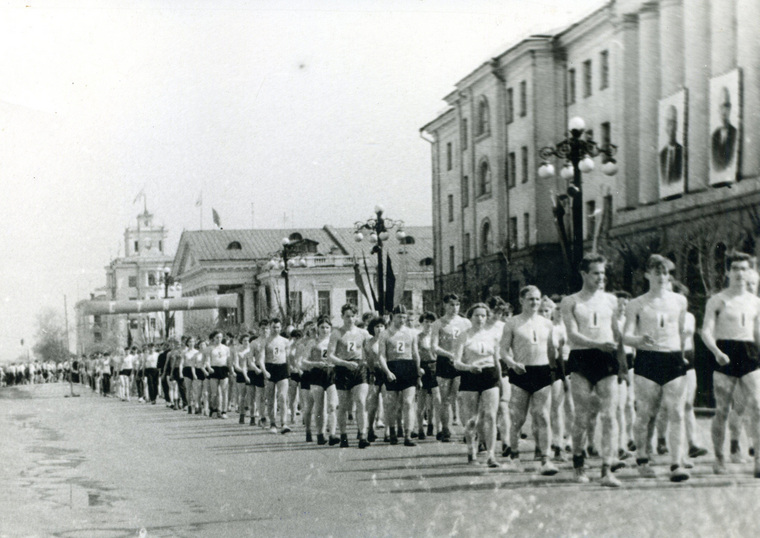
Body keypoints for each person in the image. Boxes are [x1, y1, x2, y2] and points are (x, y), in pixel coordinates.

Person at [623, 255, 690, 482]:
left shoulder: (679, 301)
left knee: (677, 413)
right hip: (648, 361)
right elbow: (626, 336)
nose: (662, 277)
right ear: (647, 275)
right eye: (657, 272)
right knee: (645, 414)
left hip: (673, 359)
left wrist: (683, 354)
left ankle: (676, 463)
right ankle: (642, 457)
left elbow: (681, 332)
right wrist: (639, 340)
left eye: (665, 273)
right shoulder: (636, 304)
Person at [560, 254, 625, 486]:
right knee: (583, 415)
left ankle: (607, 468)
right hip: (582, 358)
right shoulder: (571, 301)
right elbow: (572, 335)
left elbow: (618, 333)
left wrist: (633, 346)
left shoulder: (611, 300)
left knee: (610, 415)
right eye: (596, 273)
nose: (601, 277)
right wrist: (597, 344)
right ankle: (578, 462)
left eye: (603, 273)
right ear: (584, 274)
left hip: (606, 358)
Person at [701, 251, 760, 477]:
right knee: (723, 410)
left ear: (749, 271)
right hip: (725, 353)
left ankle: (758, 460)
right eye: (735, 268)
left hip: (749, 353)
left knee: (757, 406)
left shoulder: (756, 302)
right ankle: (719, 457)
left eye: (744, 269)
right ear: (727, 271)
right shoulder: (717, 300)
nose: (739, 273)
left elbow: (758, 334)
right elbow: (706, 330)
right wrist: (716, 351)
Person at [502, 287, 559, 475]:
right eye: (530, 299)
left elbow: (552, 350)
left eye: (536, 299)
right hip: (521, 372)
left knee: (542, 416)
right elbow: (502, 351)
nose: (534, 302)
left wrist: (554, 370)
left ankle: (545, 460)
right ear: (521, 300)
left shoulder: (547, 323)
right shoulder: (512, 323)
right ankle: (514, 457)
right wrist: (512, 363)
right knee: (517, 419)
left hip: (542, 372)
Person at [453, 303, 502, 468]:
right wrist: (469, 368)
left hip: (490, 375)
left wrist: (500, 381)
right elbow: (456, 362)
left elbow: (497, 361)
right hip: (470, 375)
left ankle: (491, 455)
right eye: (476, 315)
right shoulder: (464, 336)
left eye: (483, 315)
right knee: (472, 419)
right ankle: (471, 452)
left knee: (490, 416)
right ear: (470, 317)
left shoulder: (493, 335)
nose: (480, 318)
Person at [328, 304, 371, 448]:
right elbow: (330, 356)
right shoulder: (337, 333)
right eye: (347, 316)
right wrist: (344, 363)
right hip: (342, 369)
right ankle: (344, 435)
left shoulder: (362, 333)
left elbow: (374, 345)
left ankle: (362, 435)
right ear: (342, 317)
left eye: (353, 316)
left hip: (359, 368)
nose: (350, 319)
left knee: (361, 401)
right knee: (344, 406)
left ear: (356, 317)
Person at [379, 305, 422, 447]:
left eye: (404, 317)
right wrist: (387, 372)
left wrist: (418, 374)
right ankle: (392, 432)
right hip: (392, 367)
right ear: (393, 317)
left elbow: (415, 354)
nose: (402, 320)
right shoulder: (385, 334)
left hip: (408, 367)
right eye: (399, 317)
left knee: (409, 402)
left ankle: (408, 435)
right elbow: (381, 356)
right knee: (391, 404)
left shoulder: (411, 333)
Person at [432, 294, 471, 443]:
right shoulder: (438, 324)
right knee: (445, 399)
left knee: (462, 398)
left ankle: (467, 430)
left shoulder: (465, 323)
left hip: (461, 362)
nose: (454, 308)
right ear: (444, 305)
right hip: (445, 363)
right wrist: (449, 354)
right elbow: (434, 347)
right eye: (451, 305)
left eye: (457, 305)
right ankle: (445, 429)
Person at [306, 316, 339, 445]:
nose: (324, 330)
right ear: (318, 329)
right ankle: (320, 433)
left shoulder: (335, 341)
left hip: (332, 373)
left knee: (332, 405)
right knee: (319, 407)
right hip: (317, 374)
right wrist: (315, 363)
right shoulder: (312, 342)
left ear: (330, 329)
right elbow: (303, 360)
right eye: (322, 327)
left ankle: (332, 434)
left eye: (327, 327)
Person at [261, 319, 291, 433]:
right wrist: (264, 371)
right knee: (270, 398)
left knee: (283, 397)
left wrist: (289, 371)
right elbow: (261, 358)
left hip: (282, 368)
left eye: (278, 327)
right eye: (274, 327)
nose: (276, 329)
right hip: (270, 368)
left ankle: (284, 423)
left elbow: (288, 358)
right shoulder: (265, 341)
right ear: (270, 327)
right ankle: (273, 423)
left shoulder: (285, 341)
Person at [417, 311, 441, 441]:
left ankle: (435, 426)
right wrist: (417, 369)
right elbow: (415, 355)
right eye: (426, 321)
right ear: (421, 323)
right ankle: (420, 428)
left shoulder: (436, 336)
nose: (429, 324)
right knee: (421, 400)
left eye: (431, 322)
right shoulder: (417, 337)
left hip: (435, 367)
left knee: (436, 400)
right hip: (423, 368)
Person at [364, 317, 387, 443]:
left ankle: (388, 431)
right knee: (372, 404)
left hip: (385, 372)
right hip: (372, 373)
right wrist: (370, 371)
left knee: (387, 401)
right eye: (377, 326)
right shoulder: (368, 342)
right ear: (372, 328)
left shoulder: (387, 341)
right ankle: (370, 430)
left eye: (382, 326)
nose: (379, 329)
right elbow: (366, 358)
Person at [205, 330, 231, 419]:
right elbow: (207, 361)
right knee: (214, 393)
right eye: (217, 337)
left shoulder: (226, 348)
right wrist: (209, 368)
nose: (219, 339)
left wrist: (231, 370)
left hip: (223, 369)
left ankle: (224, 411)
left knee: (224, 391)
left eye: (220, 337)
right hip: (214, 369)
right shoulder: (210, 348)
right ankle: (215, 410)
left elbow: (228, 361)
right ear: (213, 338)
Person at [711, 86, 738, 172]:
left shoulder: (736, 133)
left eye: (726, 106)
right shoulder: (713, 136)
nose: (723, 111)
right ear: (718, 110)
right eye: (721, 107)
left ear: (730, 108)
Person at [659, 104, 683, 184]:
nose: (670, 127)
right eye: (668, 123)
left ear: (676, 126)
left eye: (672, 123)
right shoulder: (661, 155)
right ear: (665, 126)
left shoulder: (682, 152)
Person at [232, 334, 252, 423]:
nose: (246, 342)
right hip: (241, 374)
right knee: (242, 395)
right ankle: (242, 414)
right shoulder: (238, 351)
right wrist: (243, 371)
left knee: (251, 395)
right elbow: (236, 365)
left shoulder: (251, 350)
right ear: (241, 341)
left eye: (248, 340)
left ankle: (252, 414)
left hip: (251, 373)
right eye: (244, 340)